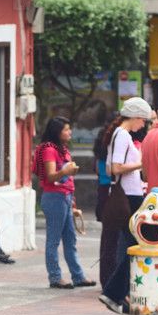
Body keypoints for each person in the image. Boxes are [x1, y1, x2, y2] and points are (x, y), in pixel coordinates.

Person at [99, 97, 153, 314]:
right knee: (139, 245)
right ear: (137, 117)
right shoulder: (122, 135)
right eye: (143, 121)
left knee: (135, 245)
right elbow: (115, 168)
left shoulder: (121, 135)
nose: (143, 125)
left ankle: (119, 294)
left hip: (129, 195)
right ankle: (115, 293)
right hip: (129, 197)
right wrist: (142, 162)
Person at [32, 116, 95, 290]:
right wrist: (65, 170)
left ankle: (78, 275)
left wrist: (72, 201)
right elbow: (51, 176)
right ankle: (55, 277)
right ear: (57, 132)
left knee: (70, 239)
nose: (69, 132)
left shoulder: (62, 149)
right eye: (66, 129)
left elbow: (65, 178)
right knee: (53, 240)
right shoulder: (49, 150)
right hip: (54, 198)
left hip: (65, 197)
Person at [93, 115, 119, 290]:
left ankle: (107, 276)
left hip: (103, 191)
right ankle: (111, 277)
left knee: (107, 238)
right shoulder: (116, 140)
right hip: (112, 190)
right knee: (114, 239)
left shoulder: (103, 141)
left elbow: (97, 168)